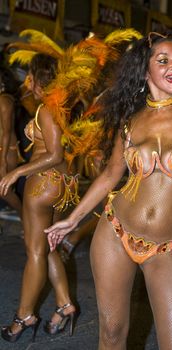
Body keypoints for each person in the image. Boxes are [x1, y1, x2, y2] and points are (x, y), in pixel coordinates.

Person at [45, 33, 172, 349]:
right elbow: (109, 176)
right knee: (113, 335)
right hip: (115, 233)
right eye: (164, 60)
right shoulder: (131, 122)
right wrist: (71, 221)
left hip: (166, 248)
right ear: (145, 71)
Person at [0, 53, 79, 343]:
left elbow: (54, 153)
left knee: (34, 252)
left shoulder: (47, 109)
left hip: (43, 185)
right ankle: (65, 304)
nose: (27, 80)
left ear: (37, 76)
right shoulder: (60, 106)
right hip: (61, 185)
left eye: (30, 75)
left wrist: (17, 171)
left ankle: (24, 317)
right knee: (48, 247)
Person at [0, 66, 23, 219]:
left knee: (4, 190)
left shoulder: (4, 100)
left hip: (6, 150)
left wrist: (2, 161)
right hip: (3, 149)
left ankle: (25, 216)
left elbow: (7, 131)